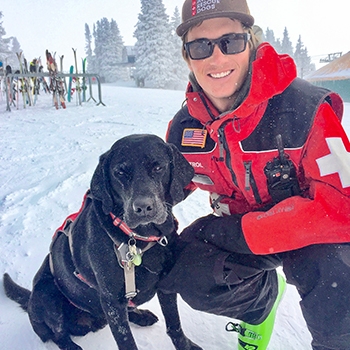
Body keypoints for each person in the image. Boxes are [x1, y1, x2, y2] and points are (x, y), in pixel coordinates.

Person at [163, 0, 350, 349]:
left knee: (336, 266)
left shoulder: (306, 111)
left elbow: (344, 207)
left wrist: (246, 233)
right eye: (200, 46)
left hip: (305, 235)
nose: (216, 59)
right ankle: (258, 307)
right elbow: (158, 191)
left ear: (250, 42)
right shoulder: (185, 128)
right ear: (188, 57)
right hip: (242, 234)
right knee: (183, 267)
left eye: (229, 42)